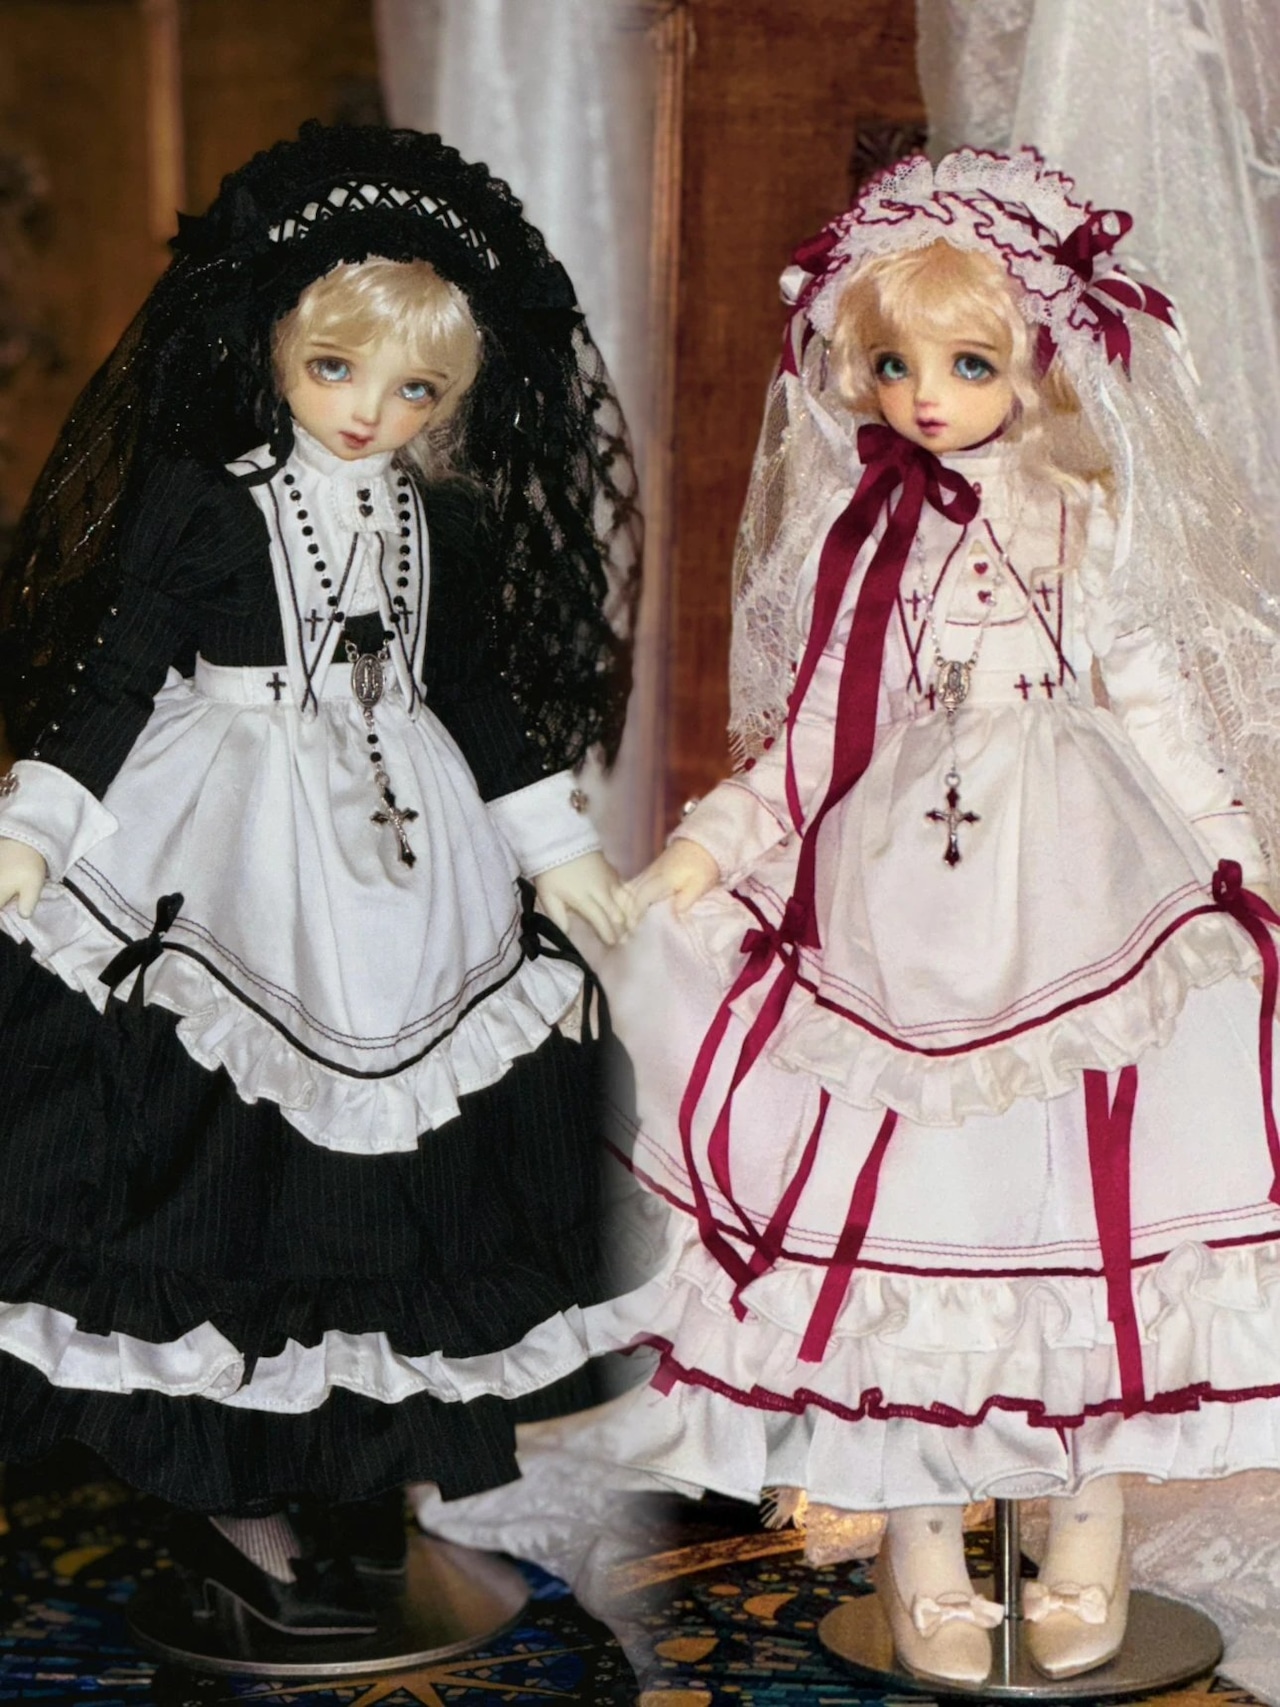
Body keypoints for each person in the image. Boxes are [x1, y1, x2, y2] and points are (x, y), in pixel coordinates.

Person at [614, 148, 1280, 1685]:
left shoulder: (1086, 523)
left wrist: (1235, 872)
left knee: (1084, 1211)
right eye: (895, 365)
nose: (926, 397)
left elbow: (1162, 712)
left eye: (968, 364)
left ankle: (1087, 1522)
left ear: (1034, 363)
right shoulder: (860, 533)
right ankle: (921, 1534)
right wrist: (696, 862)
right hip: (897, 901)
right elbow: (809, 746)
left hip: (1086, 885)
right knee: (914, 1213)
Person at [0, 121, 640, 1635]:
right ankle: (237, 1497)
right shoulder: (205, 504)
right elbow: (113, 678)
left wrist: (559, 854)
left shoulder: (444, 524)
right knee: (221, 1165)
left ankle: (363, 1485)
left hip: (412, 862)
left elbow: (476, 699)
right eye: (336, 369)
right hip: (224, 850)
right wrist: (40, 823)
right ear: (277, 349)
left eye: (416, 390)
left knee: (399, 1178)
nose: (369, 412)